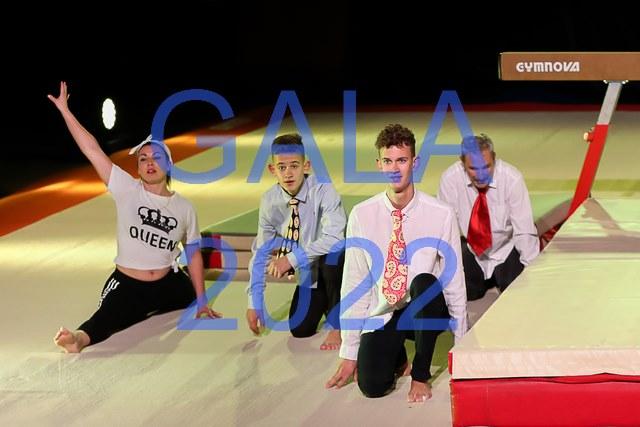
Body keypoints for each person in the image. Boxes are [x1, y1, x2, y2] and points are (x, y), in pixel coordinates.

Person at [48, 81, 221, 353]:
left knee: (186, 295)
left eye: (156, 158)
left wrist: (201, 301)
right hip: (129, 285)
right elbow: (92, 150)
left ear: (169, 164)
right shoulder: (126, 189)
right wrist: (65, 111)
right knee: (105, 320)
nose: (150, 163)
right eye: (143, 159)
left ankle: (150, 307)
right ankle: (76, 340)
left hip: (167, 284)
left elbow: (193, 253)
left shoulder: (184, 207)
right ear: (138, 168)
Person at [326, 124, 467, 402]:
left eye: (401, 160)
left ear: (414, 162)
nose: (395, 169)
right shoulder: (362, 215)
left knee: (424, 282)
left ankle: (420, 374)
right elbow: (355, 282)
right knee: (372, 386)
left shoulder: (441, 213)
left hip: (426, 308)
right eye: (388, 161)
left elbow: (454, 278)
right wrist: (350, 351)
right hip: (385, 309)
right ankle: (398, 357)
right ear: (379, 164)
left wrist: (462, 343)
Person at [245, 133, 346, 350]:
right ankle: (332, 303)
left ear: (305, 165)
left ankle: (338, 324)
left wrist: (291, 259)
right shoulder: (269, 201)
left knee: (334, 255)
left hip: (337, 267)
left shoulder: (324, 190)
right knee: (300, 329)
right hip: (311, 273)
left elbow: (335, 238)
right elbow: (261, 252)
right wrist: (255, 302)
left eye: (294, 166)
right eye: (281, 167)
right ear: (272, 169)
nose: (288, 173)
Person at [437, 133, 539, 301]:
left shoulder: (512, 178)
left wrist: (533, 274)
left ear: (494, 159)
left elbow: (524, 230)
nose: (480, 174)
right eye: (473, 169)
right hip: (472, 249)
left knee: (516, 292)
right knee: (463, 292)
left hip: (506, 248)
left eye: (486, 167)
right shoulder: (450, 180)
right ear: (462, 163)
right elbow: (444, 232)